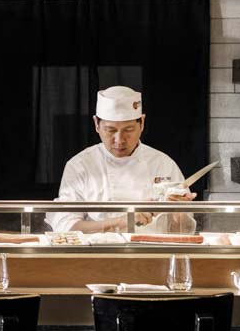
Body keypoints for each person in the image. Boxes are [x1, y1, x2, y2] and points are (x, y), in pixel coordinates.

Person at [46, 86, 197, 234]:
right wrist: (124, 221)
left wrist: (178, 215)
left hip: (152, 249)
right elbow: (66, 227)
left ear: (142, 123)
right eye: (110, 130)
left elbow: (185, 232)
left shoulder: (163, 164)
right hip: (98, 249)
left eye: (128, 130)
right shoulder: (80, 166)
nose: (119, 140)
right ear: (96, 124)